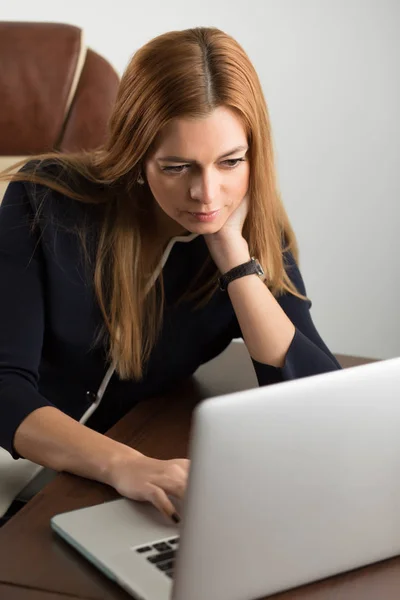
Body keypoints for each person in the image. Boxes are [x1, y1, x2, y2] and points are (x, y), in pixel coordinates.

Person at [0, 26, 341, 523]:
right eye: (178, 166)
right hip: (23, 470)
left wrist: (235, 261)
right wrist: (127, 466)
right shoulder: (43, 200)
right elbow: (5, 388)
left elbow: (318, 403)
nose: (207, 193)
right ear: (138, 156)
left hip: (104, 490)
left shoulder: (254, 236)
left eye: (230, 162)